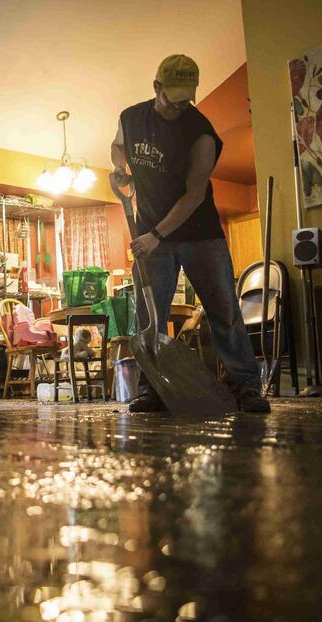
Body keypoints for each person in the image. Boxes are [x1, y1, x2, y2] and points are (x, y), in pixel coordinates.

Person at [111, 54, 269, 413]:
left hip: (200, 235)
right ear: (156, 88)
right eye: (173, 97)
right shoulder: (131, 117)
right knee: (151, 317)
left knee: (224, 311)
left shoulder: (200, 131)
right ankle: (154, 389)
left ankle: (245, 386)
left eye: (186, 98)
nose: (180, 105)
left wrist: (156, 236)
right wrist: (121, 169)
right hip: (153, 233)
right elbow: (118, 146)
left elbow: (195, 195)